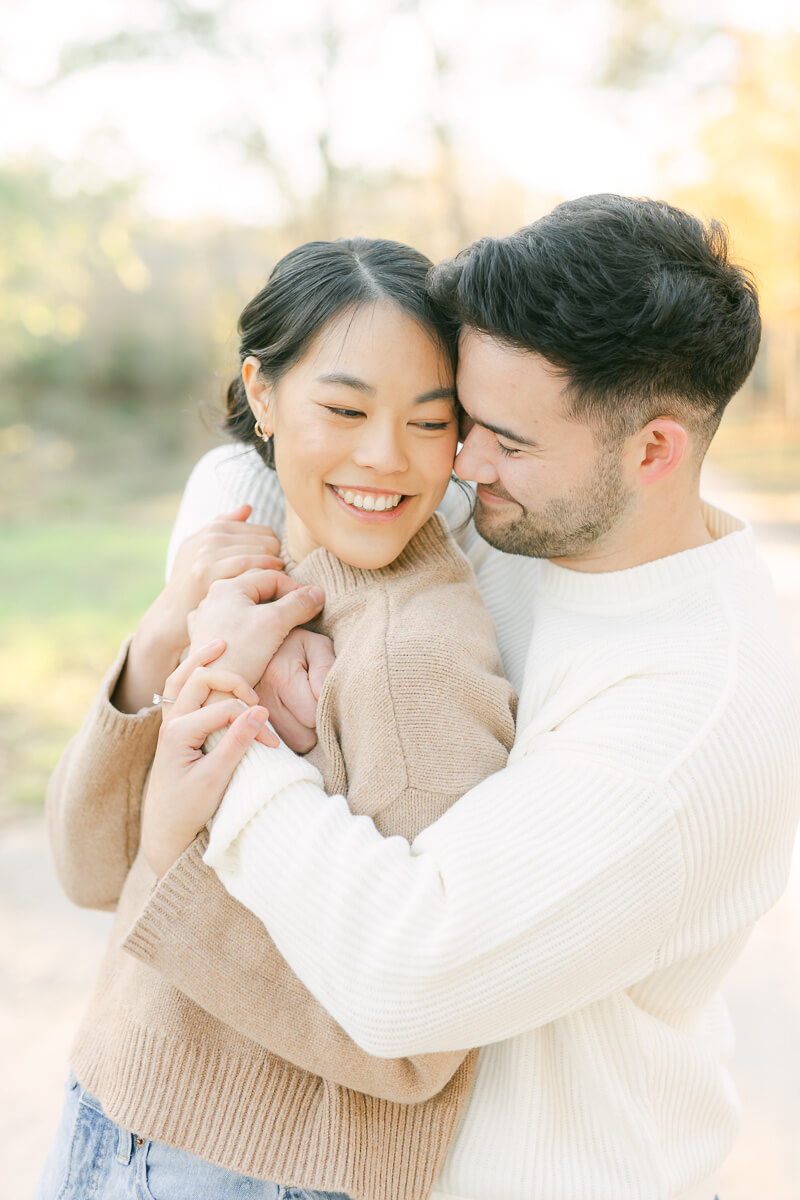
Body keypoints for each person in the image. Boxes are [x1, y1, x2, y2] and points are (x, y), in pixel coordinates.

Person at [133, 195, 800, 1200]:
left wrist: (229, 721)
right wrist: (225, 577)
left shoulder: (691, 718)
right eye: (463, 423)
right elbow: (261, 454)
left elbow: (406, 972)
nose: (456, 463)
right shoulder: (527, 511)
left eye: (503, 440)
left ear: (653, 450)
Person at [37, 238, 517, 1200]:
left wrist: (171, 856)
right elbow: (87, 869)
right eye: (344, 410)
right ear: (260, 394)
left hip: (250, 1172)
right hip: (116, 1108)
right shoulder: (255, 582)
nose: (386, 458)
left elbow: (419, 1039)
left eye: (431, 423)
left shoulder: (410, 657)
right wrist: (161, 638)